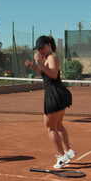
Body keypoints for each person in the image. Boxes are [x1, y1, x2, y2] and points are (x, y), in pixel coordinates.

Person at [25, 36, 75, 168]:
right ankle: (68, 151)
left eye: (41, 48)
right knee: (58, 125)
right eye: (38, 49)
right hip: (56, 94)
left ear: (48, 45)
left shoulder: (52, 57)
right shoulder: (47, 58)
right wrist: (33, 65)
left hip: (54, 94)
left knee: (50, 127)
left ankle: (61, 156)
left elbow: (52, 74)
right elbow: (42, 72)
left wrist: (39, 63)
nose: (40, 51)